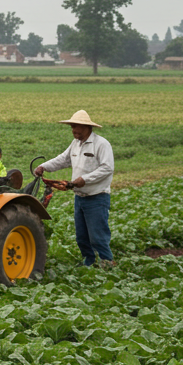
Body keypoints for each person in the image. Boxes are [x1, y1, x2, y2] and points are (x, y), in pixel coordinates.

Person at [33, 110, 115, 268]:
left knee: (97, 236)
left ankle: (107, 263)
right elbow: (63, 160)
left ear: (86, 127)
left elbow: (107, 168)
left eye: (75, 126)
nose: (73, 130)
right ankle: (89, 263)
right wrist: (44, 166)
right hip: (80, 197)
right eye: (72, 127)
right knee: (82, 236)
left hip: (97, 197)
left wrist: (84, 179)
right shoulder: (75, 144)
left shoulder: (101, 144)